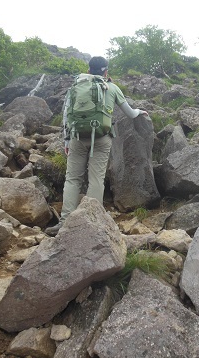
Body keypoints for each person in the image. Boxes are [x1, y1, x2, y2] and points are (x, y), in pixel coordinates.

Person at [45, 56, 148, 236]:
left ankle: (64, 222)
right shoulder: (112, 88)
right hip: (101, 137)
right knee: (96, 180)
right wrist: (140, 111)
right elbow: (131, 114)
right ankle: (91, 222)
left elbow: (67, 115)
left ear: (89, 69)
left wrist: (67, 140)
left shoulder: (76, 86)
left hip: (77, 137)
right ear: (106, 71)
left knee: (72, 179)